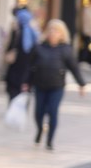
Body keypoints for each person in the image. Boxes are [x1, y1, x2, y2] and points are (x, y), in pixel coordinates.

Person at [24, 19, 86, 150]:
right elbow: (30, 67)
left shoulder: (66, 50)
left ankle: (50, 140)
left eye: (56, 30)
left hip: (56, 87)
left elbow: (74, 68)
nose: (53, 33)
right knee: (38, 113)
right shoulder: (39, 47)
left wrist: (81, 84)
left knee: (52, 111)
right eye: (51, 30)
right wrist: (26, 82)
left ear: (62, 34)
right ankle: (40, 129)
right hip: (40, 85)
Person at [4, 4, 39, 101]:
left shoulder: (17, 30)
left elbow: (9, 47)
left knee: (14, 92)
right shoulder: (33, 31)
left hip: (17, 68)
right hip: (26, 69)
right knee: (22, 94)